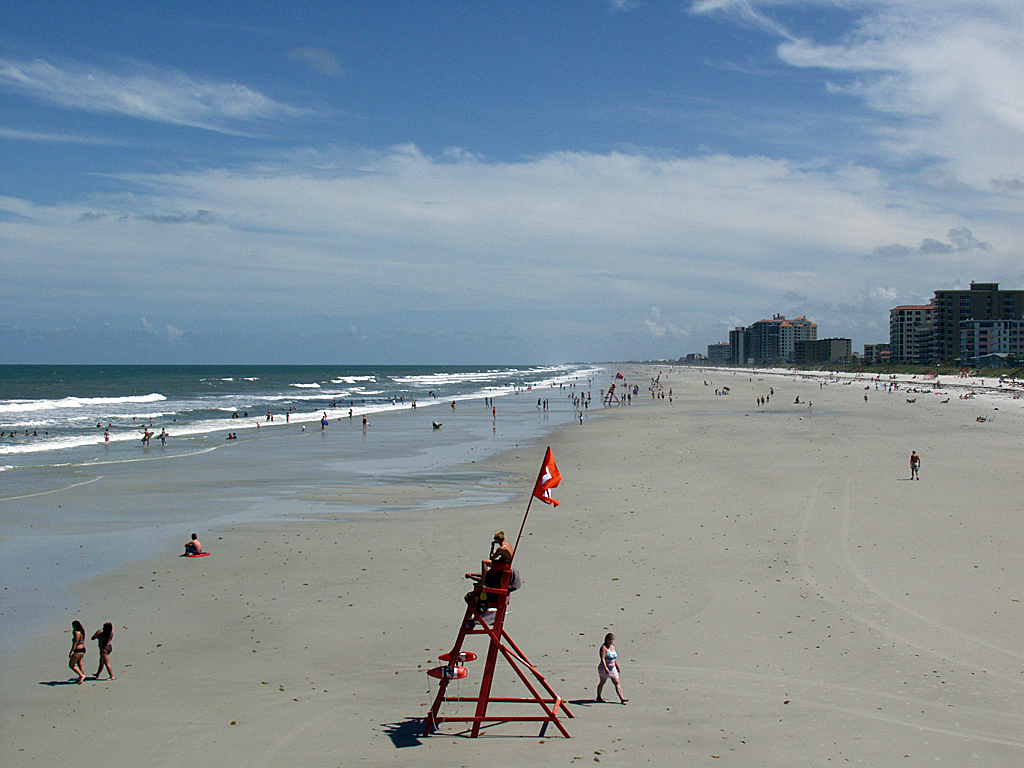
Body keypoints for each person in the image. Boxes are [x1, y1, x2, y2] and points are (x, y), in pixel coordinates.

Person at [596, 632, 627, 704]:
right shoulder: (603, 648)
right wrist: (605, 668)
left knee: (616, 682)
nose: (610, 641)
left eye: (611, 640)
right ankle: (598, 696)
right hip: (604, 668)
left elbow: (614, 658)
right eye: (609, 639)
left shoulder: (612, 647)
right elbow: (603, 659)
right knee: (602, 682)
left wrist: (617, 666)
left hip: (612, 668)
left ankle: (621, 698)